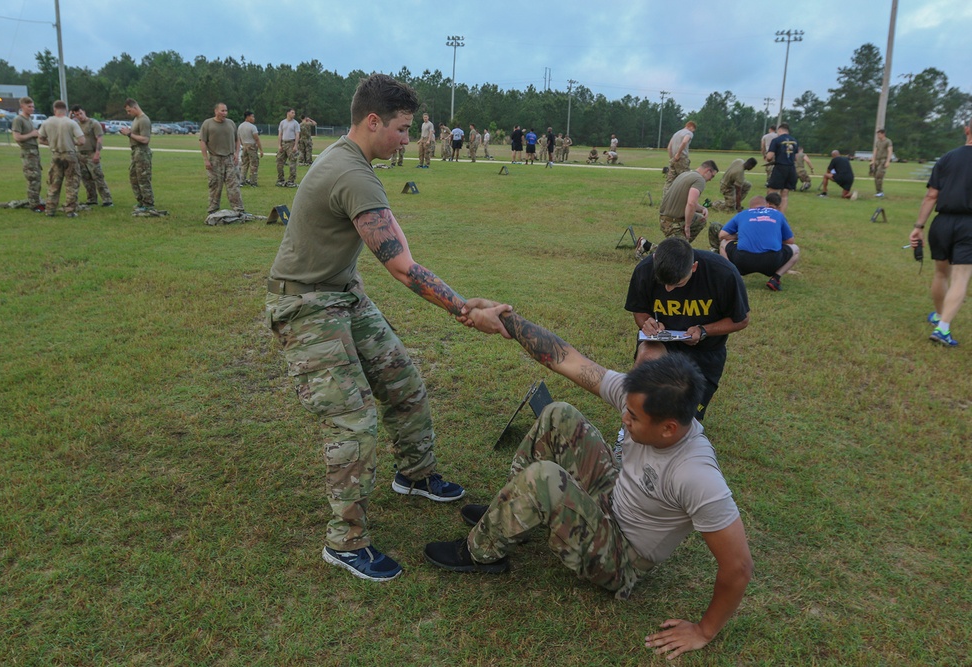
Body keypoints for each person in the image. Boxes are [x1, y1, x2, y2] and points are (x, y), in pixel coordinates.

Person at [265, 74, 511, 581]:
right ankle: (345, 542)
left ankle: (416, 475)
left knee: (402, 380)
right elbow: (401, 268)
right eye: (401, 129)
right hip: (306, 305)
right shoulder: (350, 171)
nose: (407, 138)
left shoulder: (358, 165)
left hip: (342, 292)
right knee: (353, 422)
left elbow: (403, 248)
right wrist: (466, 313)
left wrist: (465, 301)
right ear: (372, 121)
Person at [423, 317, 753, 661]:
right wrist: (507, 318)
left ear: (669, 428)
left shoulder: (696, 474)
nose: (625, 419)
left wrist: (703, 630)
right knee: (559, 414)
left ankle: (481, 553)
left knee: (545, 478)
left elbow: (738, 566)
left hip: (621, 557)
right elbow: (568, 359)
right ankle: (508, 518)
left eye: (634, 418)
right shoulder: (647, 399)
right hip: (612, 499)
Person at [625, 237, 750, 419]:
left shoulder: (723, 274)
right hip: (663, 342)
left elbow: (742, 319)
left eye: (677, 284)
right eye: (663, 283)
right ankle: (628, 426)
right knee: (646, 364)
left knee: (683, 416)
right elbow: (639, 312)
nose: (668, 289)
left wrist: (703, 330)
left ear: (694, 268)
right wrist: (648, 323)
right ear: (654, 260)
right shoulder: (644, 270)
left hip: (706, 350)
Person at [908, 116, 972, 347]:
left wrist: (918, 227)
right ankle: (943, 328)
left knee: (940, 273)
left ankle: (938, 314)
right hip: (968, 225)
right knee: (961, 277)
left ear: (966, 130)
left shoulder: (947, 157)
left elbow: (931, 195)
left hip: (941, 222)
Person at [719, 193, 801, 291]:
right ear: (766, 205)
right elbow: (790, 241)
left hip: (743, 260)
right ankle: (775, 279)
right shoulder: (777, 214)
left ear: (750, 207)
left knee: (723, 243)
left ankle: (735, 276)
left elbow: (722, 235)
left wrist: (738, 236)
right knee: (795, 249)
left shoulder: (742, 214)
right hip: (772, 261)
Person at [38, 100, 84, 217]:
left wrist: (52, 143)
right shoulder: (71, 123)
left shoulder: (47, 122)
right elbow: (82, 141)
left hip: (56, 154)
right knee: (71, 183)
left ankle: (50, 209)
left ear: (54, 109)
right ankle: (70, 210)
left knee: (54, 183)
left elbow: (41, 139)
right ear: (66, 110)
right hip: (69, 155)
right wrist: (73, 142)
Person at [659, 160, 720, 248]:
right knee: (680, 251)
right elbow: (691, 203)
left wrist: (702, 209)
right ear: (708, 171)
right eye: (712, 176)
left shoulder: (686, 174)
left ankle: (680, 241)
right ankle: (646, 246)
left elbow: (689, 201)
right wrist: (687, 226)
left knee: (701, 220)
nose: (710, 179)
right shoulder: (700, 180)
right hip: (671, 221)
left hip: (666, 217)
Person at [199, 102, 243, 214]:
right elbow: (203, 141)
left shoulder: (231, 123)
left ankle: (238, 209)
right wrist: (206, 159)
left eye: (226, 111)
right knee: (215, 185)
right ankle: (213, 209)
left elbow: (237, 140)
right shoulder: (208, 124)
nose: (225, 113)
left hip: (230, 159)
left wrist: (237, 154)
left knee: (234, 185)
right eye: (222, 111)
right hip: (215, 159)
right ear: (216, 111)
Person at [69, 105, 113, 207]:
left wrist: (97, 153)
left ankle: (107, 199)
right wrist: (70, 115)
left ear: (84, 112)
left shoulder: (93, 123)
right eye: (76, 115)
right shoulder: (76, 125)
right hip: (80, 154)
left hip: (91, 153)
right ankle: (92, 199)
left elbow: (100, 139)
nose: (80, 116)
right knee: (86, 179)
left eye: (80, 113)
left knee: (98, 177)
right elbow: (67, 123)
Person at [120, 98, 155, 211]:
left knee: (143, 178)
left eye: (129, 110)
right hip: (135, 152)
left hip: (142, 152)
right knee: (134, 177)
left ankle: (148, 203)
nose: (128, 113)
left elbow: (145, 139)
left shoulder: (144, 120)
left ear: (135, 107)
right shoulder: (136, 119)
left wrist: (129, 134)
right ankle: (141, 201)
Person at [11, 96, 45, 212]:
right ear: (22, 107)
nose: (32, 109)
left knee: (37, 178)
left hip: (34, 152)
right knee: (33, 179)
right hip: (28, 152)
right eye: (29, 106)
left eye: (33, 106)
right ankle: (34, 204)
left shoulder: (29, 119)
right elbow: (17, 137)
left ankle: (36, 200)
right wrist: (32, 134)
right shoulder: (18, 119)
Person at [765, 123, 798, 212]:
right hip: (791, 169)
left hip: (780, 168)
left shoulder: (776, 140)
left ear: (779, 130)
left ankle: (769, 214)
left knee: (772, 192)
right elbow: (796, 157)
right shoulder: (795, 141)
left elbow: (769, 156)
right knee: (785, 194)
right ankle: (781, 216)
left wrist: (768, 159)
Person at [664, 121, 696, 195]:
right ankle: (683, 200)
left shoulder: (676, 133)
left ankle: (666, 199)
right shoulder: (689, 133)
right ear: (691, 126)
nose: (693, 131)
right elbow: (685, 142)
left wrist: (672, 158)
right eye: (693, 129)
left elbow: (669, 147)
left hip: (673, 159)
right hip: (682, 158)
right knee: (685, 180)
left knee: (670, 181)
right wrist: (678, 154)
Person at [238, 110, 264, 186]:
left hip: (244, 146)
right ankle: (253, 181)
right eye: (252, 116)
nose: (253, 118)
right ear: (248, 117)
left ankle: (241, 180)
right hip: (251, 146)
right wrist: (261, 150)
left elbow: (239, 137)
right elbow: (256, 139)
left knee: (244, 164)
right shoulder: (252, 127)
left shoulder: (240, 126)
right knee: (254, 164)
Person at [276, 108, 300, 187]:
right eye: (292, 112)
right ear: (288, 113)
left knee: (292, 162)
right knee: (279, 161)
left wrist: (295, 145)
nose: (294, 114)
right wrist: (279, 145)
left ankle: (291, 181)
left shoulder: (295, 123)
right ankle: (280, 179)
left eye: (294, 113)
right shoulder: (282, 122)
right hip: (283, 143)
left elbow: (297, 134)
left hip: (291, 143)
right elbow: (280, 134)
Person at [872, 129, 893, 197]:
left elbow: (890, 151)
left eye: (879, 134)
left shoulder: (888, 141)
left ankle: (880, 192)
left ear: (883, 134)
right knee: (875, 176)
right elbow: (875, 151)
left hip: (883, 160)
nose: (878, 136)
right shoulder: (878, 142)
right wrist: (873, 160)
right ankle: (878, 191)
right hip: (877, 161)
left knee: (879, 175)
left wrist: (888, 161)